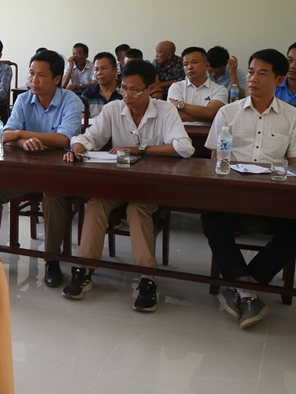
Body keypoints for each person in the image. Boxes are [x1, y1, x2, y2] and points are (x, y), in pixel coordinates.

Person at [63, 60, 194, 312]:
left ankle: (146, 278)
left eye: (134, 90)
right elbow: (89, 137)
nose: (127, 95)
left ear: (151, 89)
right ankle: (85, 269)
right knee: (96, 203)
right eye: (124, 88)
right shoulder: (113, 109)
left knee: (137, 208)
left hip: (150, 188)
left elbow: (184, 148)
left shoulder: (165, 110)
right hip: (117, 185)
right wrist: (77, 147)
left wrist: (139, 149)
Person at [202, 48, 296, 329]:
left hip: (275, 195)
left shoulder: (292, 117)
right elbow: (215, 159)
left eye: (262, 73)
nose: (253, 78)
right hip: (233, 192)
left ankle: (242, 286)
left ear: (279, 80)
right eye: (251, 71)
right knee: (212, 219)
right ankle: (248, 290)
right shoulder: (228, 112)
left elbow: (294, 166)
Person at [0, 49, 82, 288]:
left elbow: (63, 139)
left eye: (41, 75)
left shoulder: (70, 100)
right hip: (26, 173)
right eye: (31, 73)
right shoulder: (23, 99)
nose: (33, 79)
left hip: (58, 174)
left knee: (53, 197)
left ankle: (51, 260)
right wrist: (24, 142)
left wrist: (21, 133)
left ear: (57, 78)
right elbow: (6, 136)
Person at [167, 47, 228, 123]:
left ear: (206, 65)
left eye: (194, 62)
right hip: (181, 130)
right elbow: (174, 115)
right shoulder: (176, 87)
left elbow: (211, 113)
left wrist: (181, 105)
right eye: (185, 64)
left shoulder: (220, 90)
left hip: (208, 131)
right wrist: (206, 118)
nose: (190, 67)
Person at [80, 52, 122, 118]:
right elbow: (83, 121)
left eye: (103, 68)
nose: (99, 73)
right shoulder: (87, 94)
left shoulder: (125, 93)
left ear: (115, 71)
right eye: (96, 69)